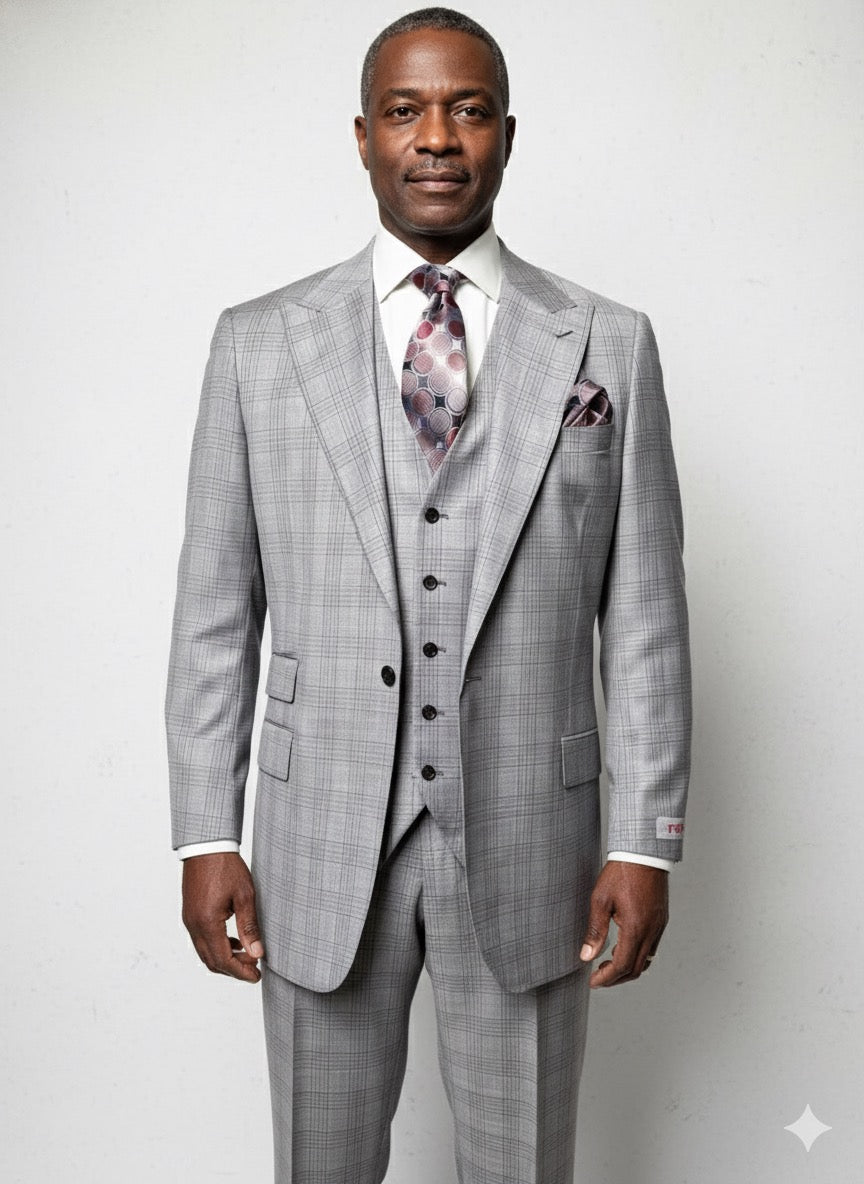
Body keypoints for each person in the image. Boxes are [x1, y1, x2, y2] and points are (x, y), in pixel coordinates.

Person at [165, 8, 691, 1182]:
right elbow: (214, 609)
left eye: (467, 108)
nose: (437, 136)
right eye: (406, 110)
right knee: (321, 1163)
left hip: (536, 843)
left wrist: (644, 844)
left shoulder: (609, 343)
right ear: (363, 137)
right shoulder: (259, 344)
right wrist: (208, 827)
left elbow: (647, 617)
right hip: (317, 841)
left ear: (508, 134)